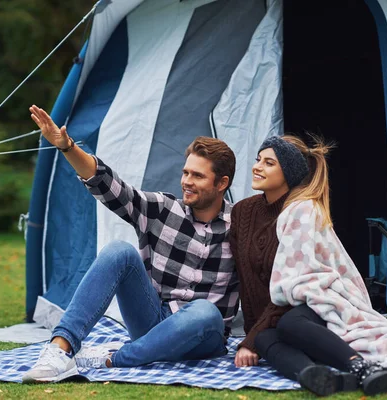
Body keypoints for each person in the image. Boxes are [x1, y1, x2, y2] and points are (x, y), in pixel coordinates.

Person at [23, 105, 239, 383]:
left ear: (222, 183)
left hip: (205, 335)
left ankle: (113, 358)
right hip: (153, 321)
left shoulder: (241, 224)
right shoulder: (164, 209)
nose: (187, 181)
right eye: (186, 173)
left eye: (197, 176)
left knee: (204, 311)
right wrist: (67, 147)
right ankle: (59, 350)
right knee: (119, 251)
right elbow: (109, 187)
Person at [229, 135, 387, 396]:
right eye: (259, 159)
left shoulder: (302, 212)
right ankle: (319, 379)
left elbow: (295, 286)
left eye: (269, 163)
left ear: (289, 173)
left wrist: (253, 336)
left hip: (316, 303)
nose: (257, 166)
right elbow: (247, 280)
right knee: (265, 338)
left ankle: (363, 368)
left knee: (288, 324)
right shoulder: (243, 212)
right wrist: (252, 335)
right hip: (279, 315)